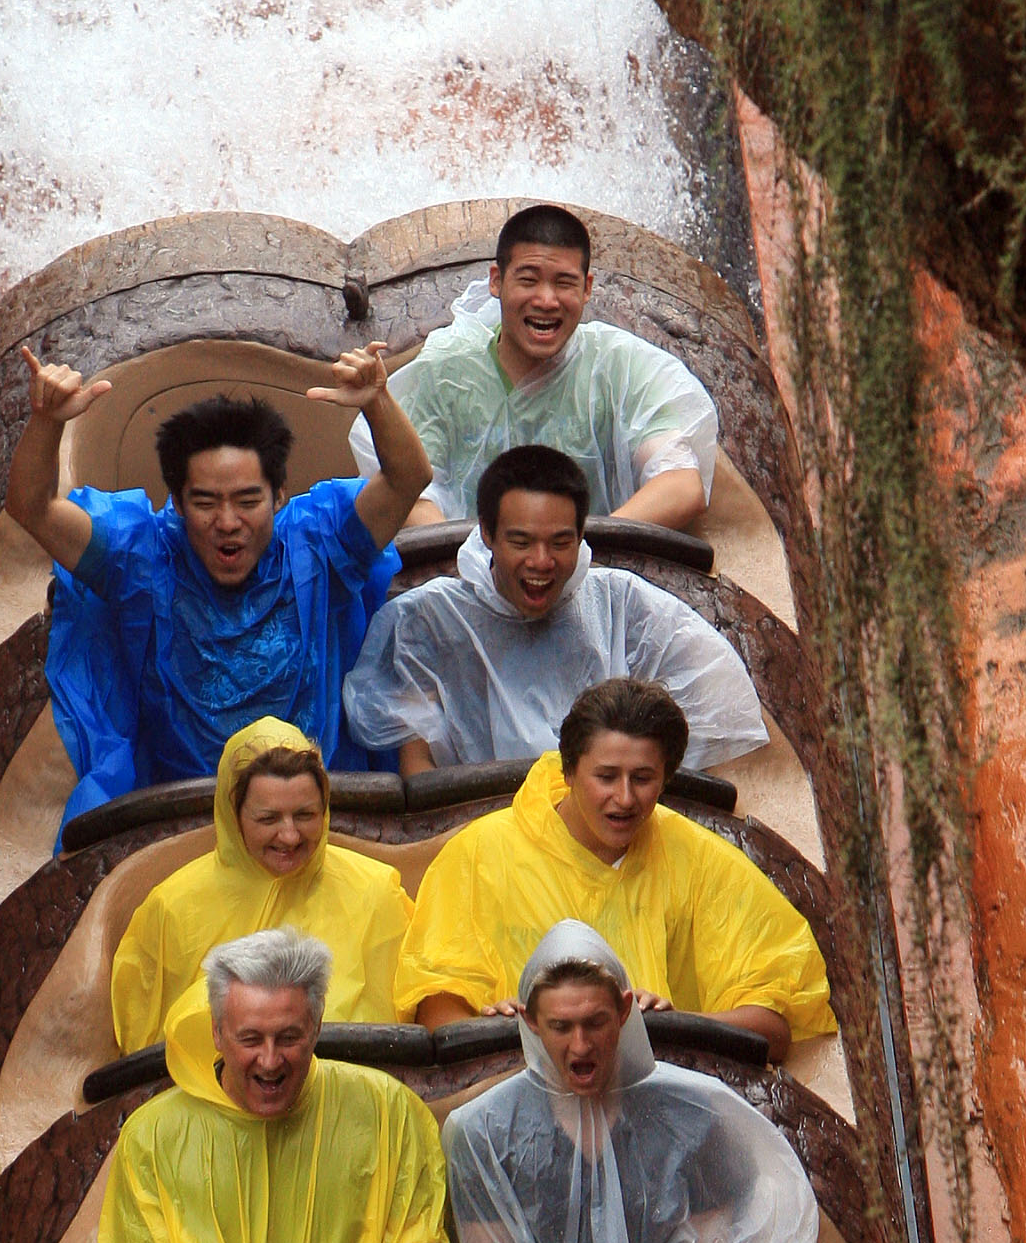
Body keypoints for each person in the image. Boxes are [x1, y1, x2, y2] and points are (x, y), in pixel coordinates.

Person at [7, 343, 433, 841]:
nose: (227, 523)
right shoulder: (141, 556)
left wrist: (376, 401)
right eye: (206, 502)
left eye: (247, 501)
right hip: (187, 825)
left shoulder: (318, 540)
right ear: (178, 504)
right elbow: (32, 508)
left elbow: (409, 478)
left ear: (278, 497)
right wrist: (45, 420)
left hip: (320, 818)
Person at [395, 678, 833, 1062]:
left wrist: (667, 1026)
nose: (624, 799)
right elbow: (437, 1015)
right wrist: (504, 1031)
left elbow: (773, 1030)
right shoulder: (478, 854)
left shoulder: (701, 860)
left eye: (642, 779)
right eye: (606, 777)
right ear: (568, 771)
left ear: (666, 778)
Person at [96, 926, 451, 1243]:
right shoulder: (152, 1138)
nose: (269, 1061)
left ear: (316, 1026)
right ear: (216, 1032)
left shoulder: (391, 1111)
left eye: (288, 1038)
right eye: (250, 1039)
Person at [342, 442, 767, 779]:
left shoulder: (621, 604)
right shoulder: (428, 620)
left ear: (581, 534)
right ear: (487, 534)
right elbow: (418, 772)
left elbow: (714, 700)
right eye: (522, 542)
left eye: (560, 543)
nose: (541, 562)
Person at [444, 923, 821, 1243]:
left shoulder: (693, 1118)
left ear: (625, 1011)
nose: (580, 1045)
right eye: (561, 1027)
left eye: (595, 1023)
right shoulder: (484, 1134)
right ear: (530, 1021)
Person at [349, 203, 718, 529]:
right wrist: (486, 569)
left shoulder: (619, 367)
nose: (546, 300)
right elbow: (410, 493)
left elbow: (681, 484)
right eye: (528, 280)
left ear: (587, 288)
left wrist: (571, 556)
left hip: (597, 576)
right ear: (497, 282)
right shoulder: (447, 370)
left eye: (564, 283)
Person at [108, 719, 412, 1051]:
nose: (290, 835)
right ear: (232, 816)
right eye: (268, 819)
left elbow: (399, 1040)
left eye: (305, 815)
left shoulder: (377, 891)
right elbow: (143, 1055)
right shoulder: (171, 908)